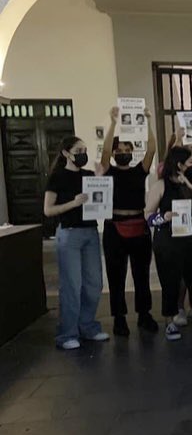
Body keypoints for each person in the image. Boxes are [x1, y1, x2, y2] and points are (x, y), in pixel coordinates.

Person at [145, 146, 192, 341]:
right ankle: (169, 320)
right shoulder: (161, 185)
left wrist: (191, 184)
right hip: (168, 236)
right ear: (179, 165)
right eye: (190, 162)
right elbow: (147, 215)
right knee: (170, 279)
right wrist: (164, 216)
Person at [44, 136, 110, 350]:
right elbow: (48, 210)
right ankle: (67, 333)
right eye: (78, 150)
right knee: (72, 284)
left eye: (84, 149)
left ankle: (88, 326)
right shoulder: (57, 176)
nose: (83, 153)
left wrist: (100, 179)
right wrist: (73, 203)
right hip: (69, 233)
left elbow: (100, 198)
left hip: (90, 232)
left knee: (94, 283)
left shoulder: (88, 175)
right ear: (66, 153)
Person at [98, 106, 158, 336]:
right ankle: (119, 318)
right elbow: (104, 152)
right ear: (114, 153)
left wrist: (148, 121)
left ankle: (144, 314)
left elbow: (151, 149)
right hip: (114, 228)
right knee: (116, 275)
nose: (123, 152)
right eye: (119, 149)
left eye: (127, 148)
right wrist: (113, 122)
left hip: (139, 226)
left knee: (141, 274)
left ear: (132, 151)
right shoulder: (107, 170)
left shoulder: (139, 171)